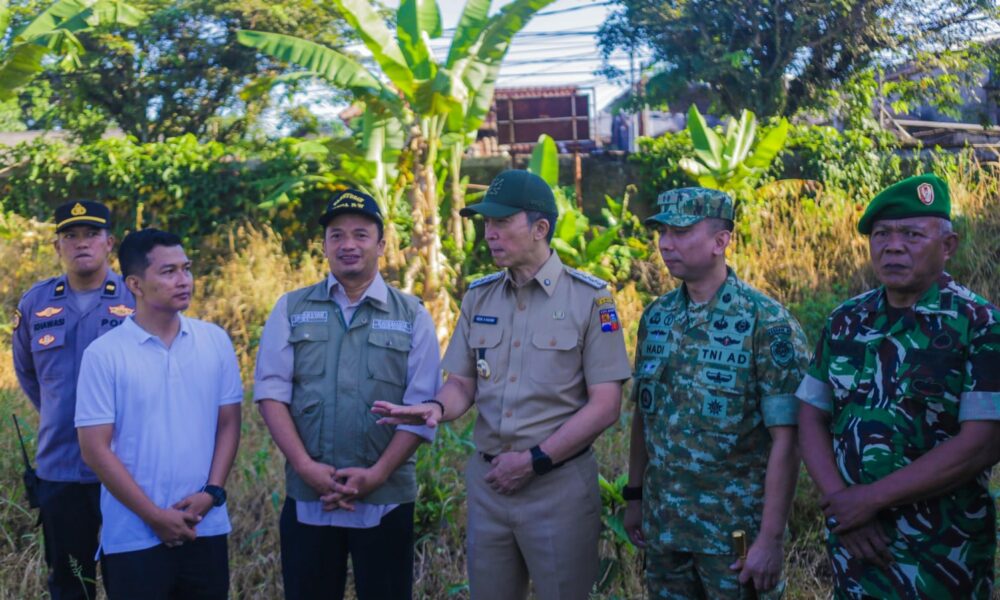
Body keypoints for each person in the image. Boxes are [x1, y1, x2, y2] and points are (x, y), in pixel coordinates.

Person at [374, 169, 632, 600]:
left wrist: (534, 461)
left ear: (540, 228)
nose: (489, 234)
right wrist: (436, 409)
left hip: (558, 487)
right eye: (486, 224)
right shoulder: (480, 296)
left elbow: (606, 405)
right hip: (491, 485)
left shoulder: (591, 299)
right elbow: (462, 384)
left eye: (500, 222)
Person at [796, 173, 1000, 598]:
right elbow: (811, 414)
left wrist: (868, 500)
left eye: (911, 234)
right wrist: (843, 505)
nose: (892, 246)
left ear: (948, 246)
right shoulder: (845, 321)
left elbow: (983, 442)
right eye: (881, 234)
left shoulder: (979, 325)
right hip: (855, 546)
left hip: (942, 554)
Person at [620, 187, 808, 599]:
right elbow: (644, 416)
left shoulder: (767, 323)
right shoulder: (657, 317)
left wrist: (771, 539)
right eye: (662, 233)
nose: (666, 244)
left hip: (734, 537)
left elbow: (788, 440)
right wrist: (635, 496)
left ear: (721, 241)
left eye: (681, 232)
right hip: (666, 527)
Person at [254, 189, 440, 600]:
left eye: (360, 234)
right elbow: (271, 393)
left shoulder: (411, 315)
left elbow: (421, 406)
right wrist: (305, 467)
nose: (348, 245)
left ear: (382, 244)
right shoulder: (291, 308)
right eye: (336, 235)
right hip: (310, 495)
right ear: (323, 246)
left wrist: (376, 475)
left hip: (385, 498)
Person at [75, 228, 242, 600]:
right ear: (134, 283)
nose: (184, 281)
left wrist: (211, 492)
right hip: (134, 536)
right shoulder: (105, 354)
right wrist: (154, 515)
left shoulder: (214, 340)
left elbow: (229, 422)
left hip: (205, 526)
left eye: (187, 268)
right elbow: (94, 449)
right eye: (168, 272)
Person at [12, 199, 134, 600]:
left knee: (129, 578)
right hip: (60, 468)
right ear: (57, 246)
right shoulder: (36, 303)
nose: (81, 243)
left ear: (109, 242)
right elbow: (29, 375)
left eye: (91, 234)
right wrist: (63, 414)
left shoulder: (136, 299)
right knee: (69, 581)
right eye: (70, 235)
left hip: (126, 464)